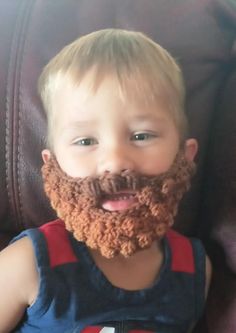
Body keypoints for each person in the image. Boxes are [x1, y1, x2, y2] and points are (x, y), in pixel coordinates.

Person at [0, 29, 211, 333]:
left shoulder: (194, 270)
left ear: (185, 155)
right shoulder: (28, 264)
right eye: (85, 141)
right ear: (52, 164)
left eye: (141, 136)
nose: (115, 161)